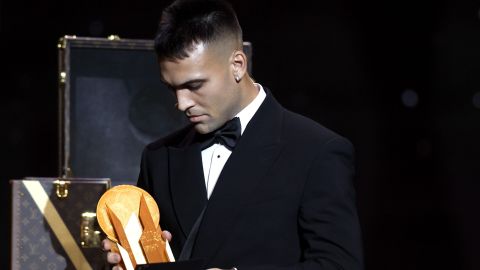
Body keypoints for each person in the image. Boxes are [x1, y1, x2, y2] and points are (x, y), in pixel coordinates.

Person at [103, 0, 363, 269]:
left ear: (238, 65)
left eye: (194, 85)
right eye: (172, 89)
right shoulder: (159, 158)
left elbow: (339, 264)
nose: (181, 104)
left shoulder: (316, 150)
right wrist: (127, 259)